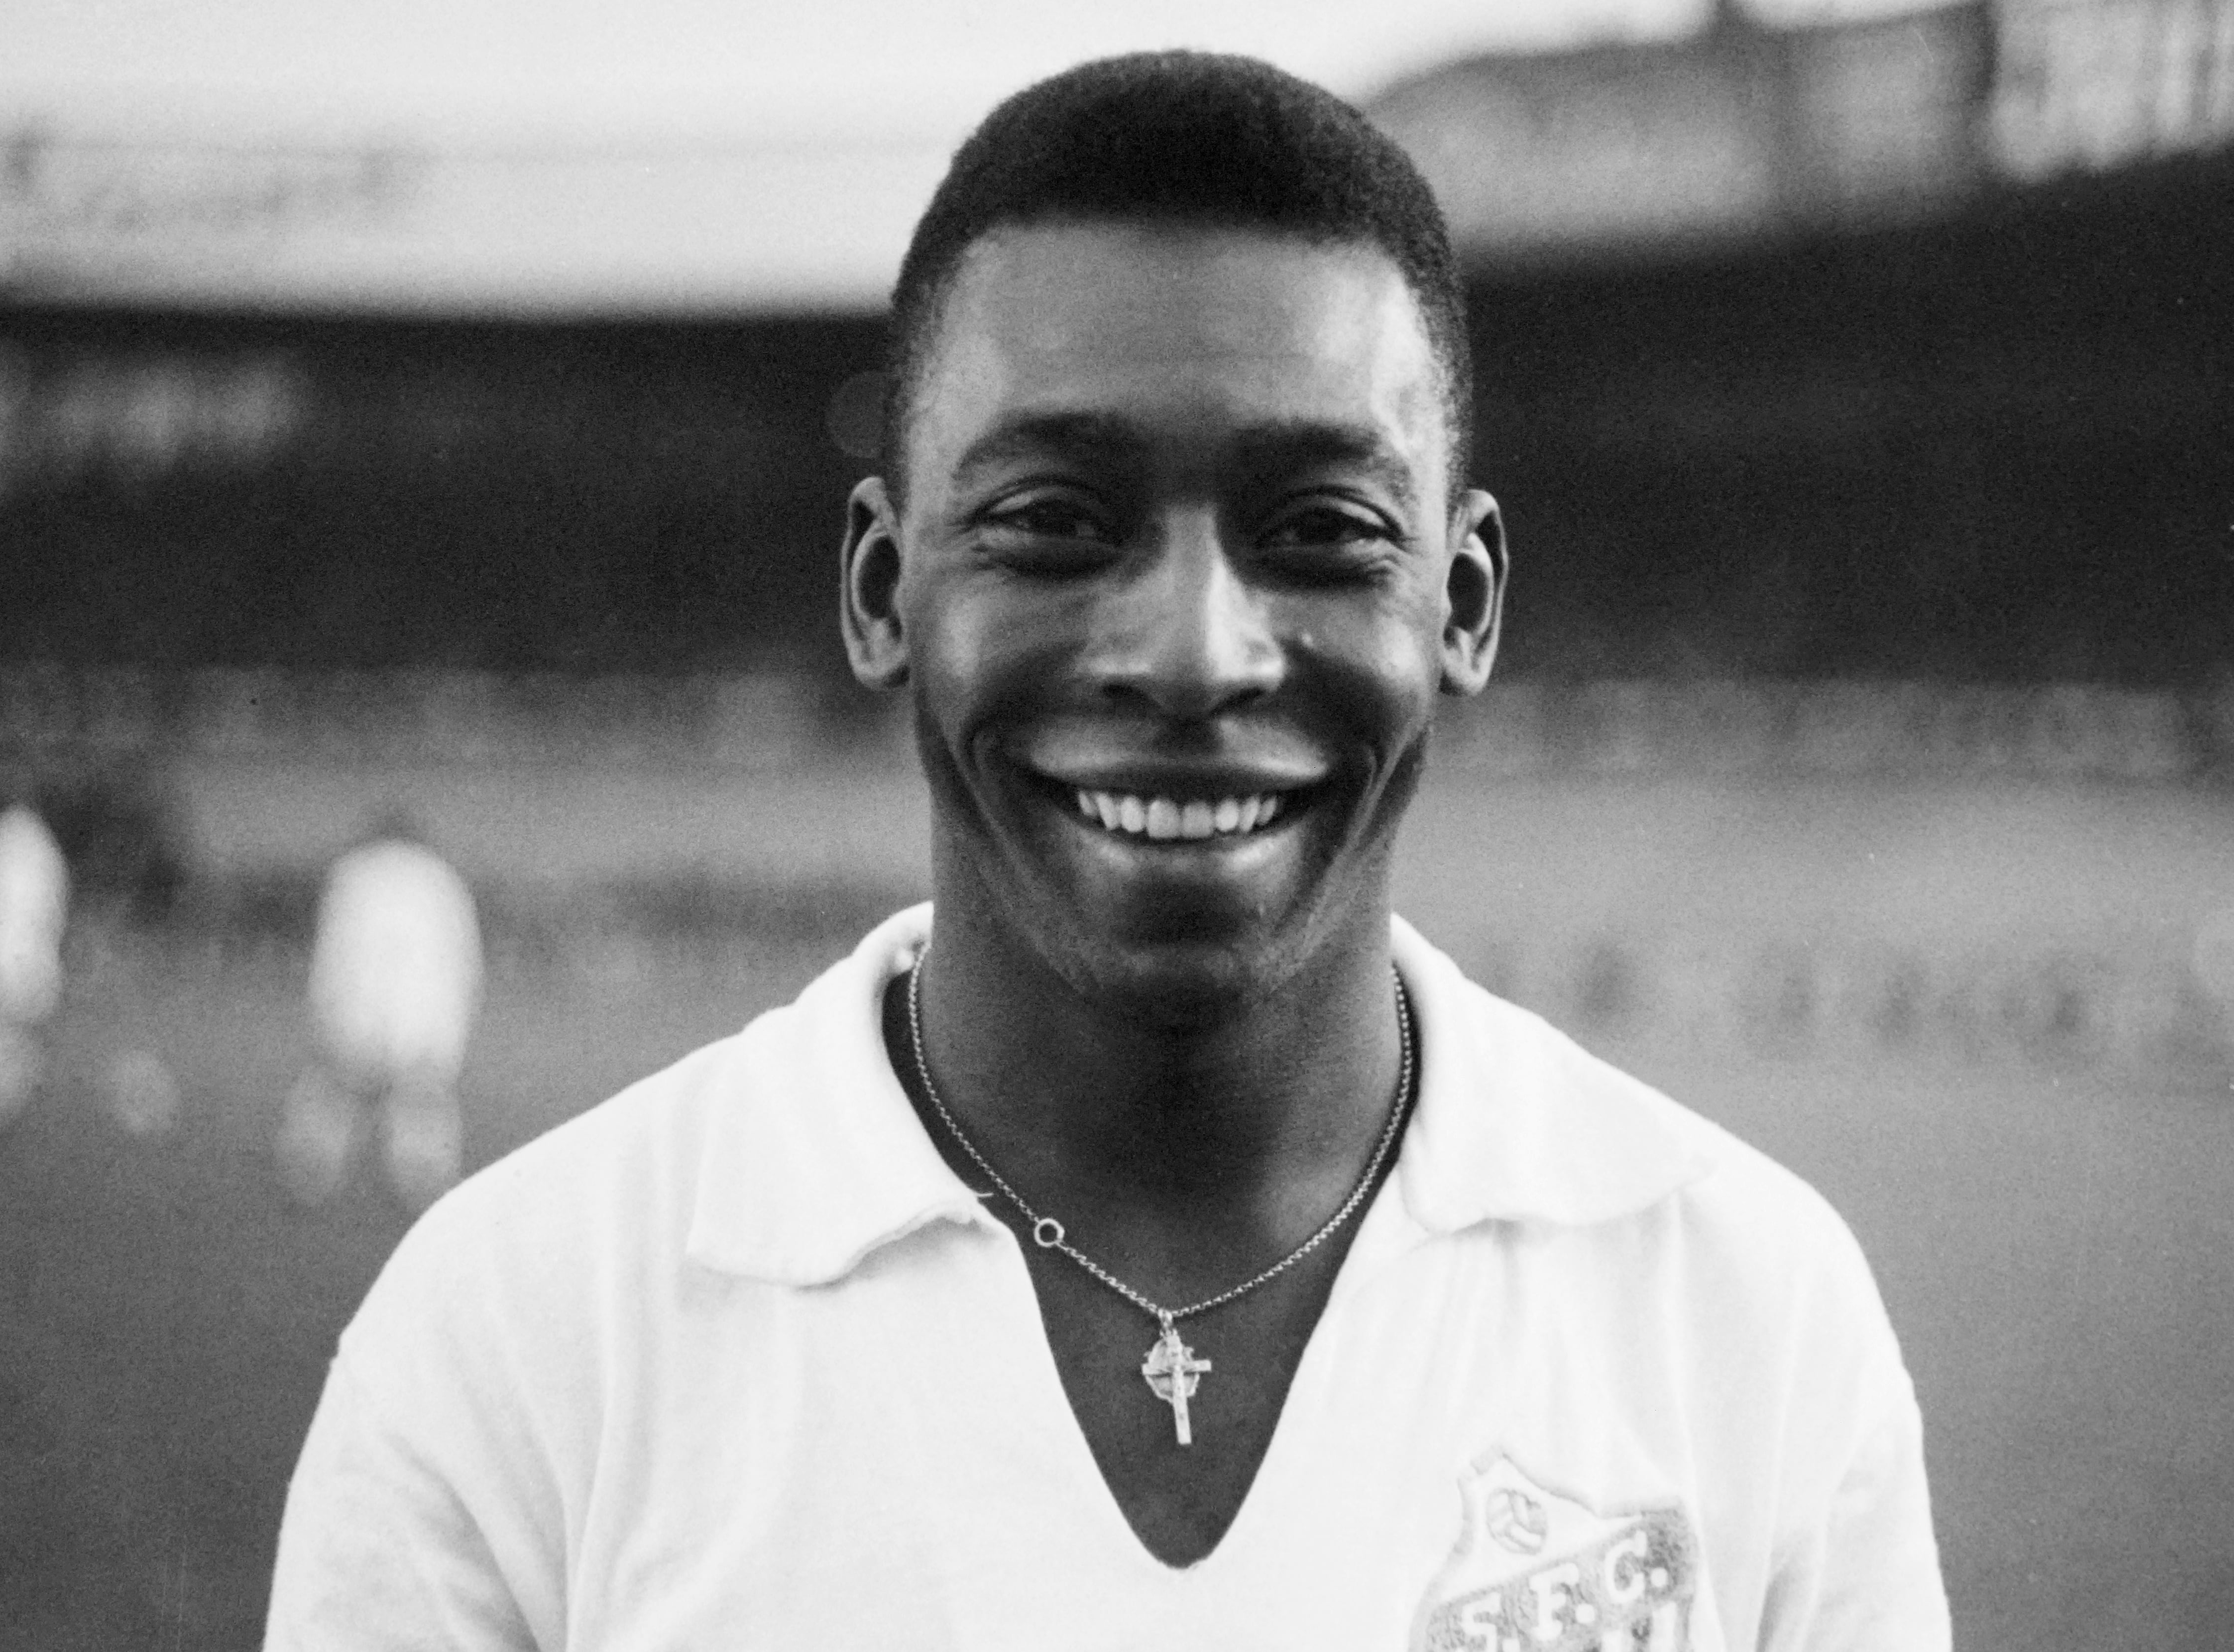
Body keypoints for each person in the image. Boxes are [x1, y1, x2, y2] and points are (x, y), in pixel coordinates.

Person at [266, 52, 1948, 1648]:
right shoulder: (515, 1339)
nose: (1197, 653)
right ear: (880, 590)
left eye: (1323, 531)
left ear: (1465, 600)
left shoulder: (1747, 1315)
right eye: (1056, 523)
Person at [277, 826, 484, 1211]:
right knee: (421, 1094)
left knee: (340, 1085)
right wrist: (456, 1010)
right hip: (425, 1001)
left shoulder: (355, 873)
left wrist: (327, 1004)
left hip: (363, 996)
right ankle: (424, 1185)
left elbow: (337, 946)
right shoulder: (440, 875)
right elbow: (461, 952)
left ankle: (311, 1175)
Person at [0, 800, 72, 1134]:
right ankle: (0, 1098)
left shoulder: (18, 845)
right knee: (7, 1035)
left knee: (2, 1034)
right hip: (22, 962)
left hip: (8, 960)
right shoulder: (35, 849)